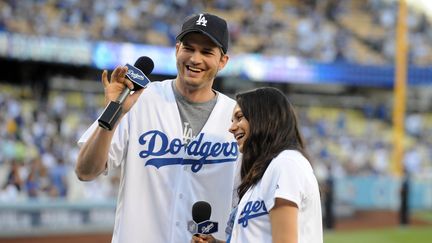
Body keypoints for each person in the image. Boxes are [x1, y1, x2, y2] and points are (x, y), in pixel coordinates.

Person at [75, 13, 239, 243]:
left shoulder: (237, 117)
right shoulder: (138, 99)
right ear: (176, 49)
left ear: (223, 61)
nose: (195, 58)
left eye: (207, 52)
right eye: (188, 48)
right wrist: (114, 113)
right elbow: (85, 171)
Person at [192, 87, 323, 243]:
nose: (232, 128)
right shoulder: (262, 174)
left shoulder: (286, 163)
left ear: (264, 118)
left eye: (239, 117)